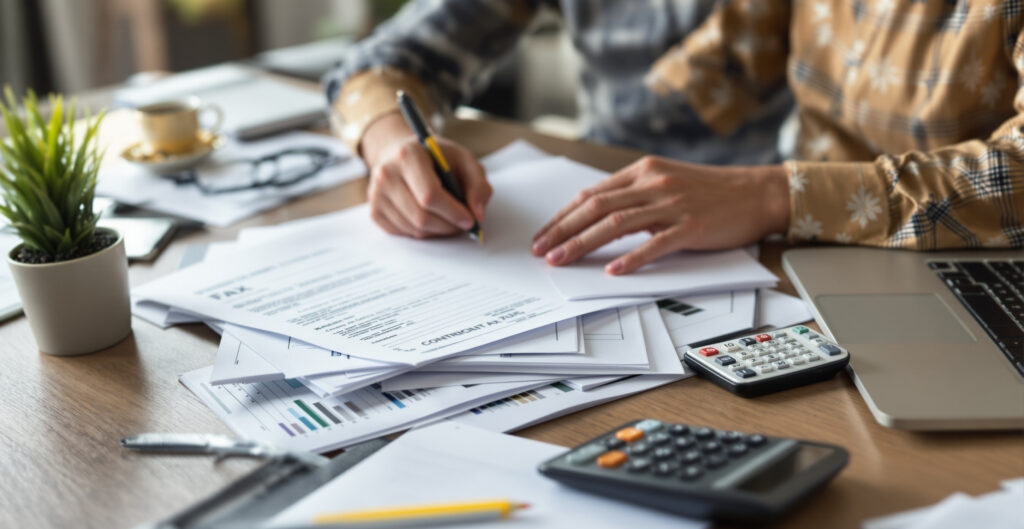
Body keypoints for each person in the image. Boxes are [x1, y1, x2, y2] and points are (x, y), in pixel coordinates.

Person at [326, 1, 1023, 276]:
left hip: (944, 257)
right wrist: (393, 144)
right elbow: (387, 64)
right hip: (777, 254)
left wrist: (775, 193)